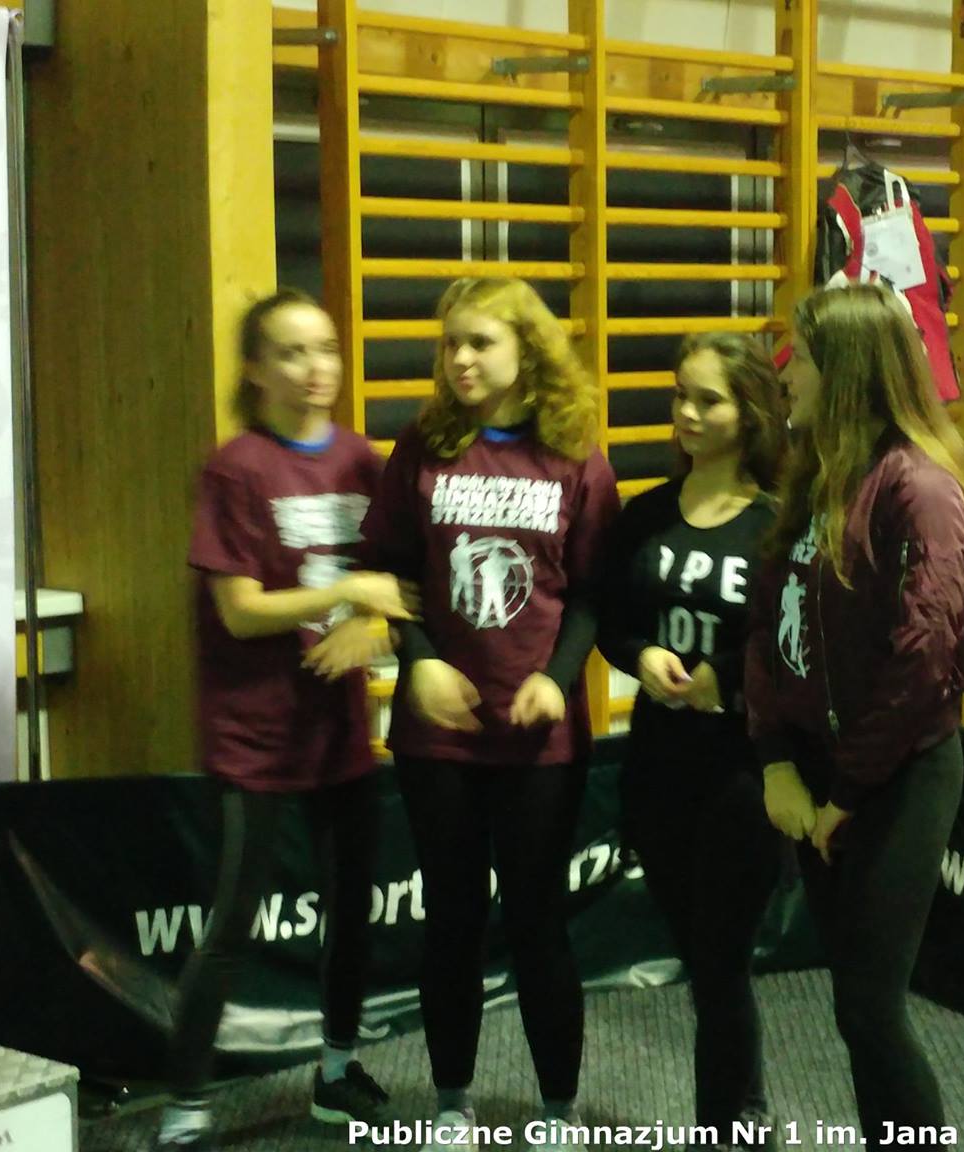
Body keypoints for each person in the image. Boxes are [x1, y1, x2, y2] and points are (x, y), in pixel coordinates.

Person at [359, 278, 618, 1152]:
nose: (460, 359)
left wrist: (558, 676)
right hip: (440, 738)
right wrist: (419, 660)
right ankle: (450, 1103)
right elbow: (389, 572)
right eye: (450, 344)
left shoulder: (576, 456)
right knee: (453, 919)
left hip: (540, 739)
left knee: (538, 921)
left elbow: (594, 591)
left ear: (527, 351)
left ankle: (558, 1109)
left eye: (480, 342)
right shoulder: (423, 446)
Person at [155, 289, 410, 1151]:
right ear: (256, 370)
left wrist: (370, 621)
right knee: (232, 925)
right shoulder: (237, 468)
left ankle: (337, 1071)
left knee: (352, 914)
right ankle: (186, 1099)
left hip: (339, 732)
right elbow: (239, 612)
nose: (315, 368)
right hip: (255, 736)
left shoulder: (362, 459)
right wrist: (348, 591)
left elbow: (398, 583)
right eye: (293, 352)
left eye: (326, 348)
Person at [745, 283, 964, 1149]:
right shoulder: (816, 474)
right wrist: (776, 758)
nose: (785, 374)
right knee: (855, 1008)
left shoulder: (919, 489)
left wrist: (848, 791)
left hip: (896, 778)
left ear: (846, 369)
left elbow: (923, 660)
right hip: (820, 776)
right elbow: (766, 627)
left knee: (870, 1006)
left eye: (801, 357)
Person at [595, 333, 787, 1150]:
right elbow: (610, 619)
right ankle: (745, 1109)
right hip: (658, 768)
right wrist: (640, 656)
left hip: (741, 773)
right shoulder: (645, 513)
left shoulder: (778, 524)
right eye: (681, 394)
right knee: (703, 960)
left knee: (720, 960)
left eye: (708, 399)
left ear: (750, 413)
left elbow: (796, 647)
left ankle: (730, 1123)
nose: (687, 413)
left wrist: (728, 680)